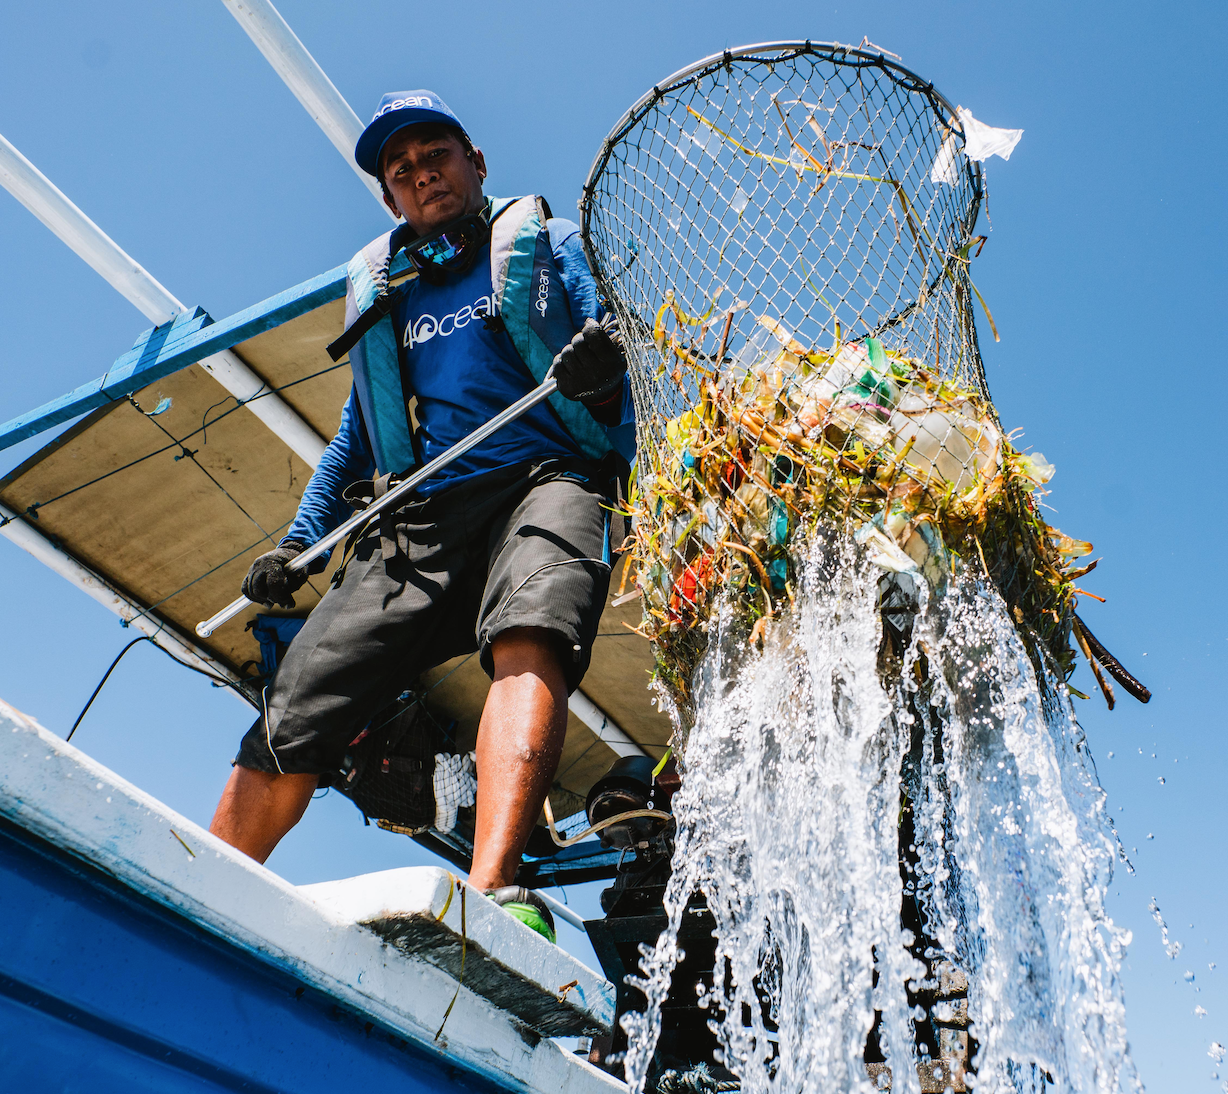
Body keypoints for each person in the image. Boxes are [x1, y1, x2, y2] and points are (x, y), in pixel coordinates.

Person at [208, 90, 634, 942]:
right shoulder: (386, 291)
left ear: (475, 162)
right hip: (423, 515)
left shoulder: (549, 247)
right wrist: (299, 541)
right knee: (297, 700)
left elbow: (618, 349)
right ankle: (201, 890)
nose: (421, 174)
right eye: (400, 171)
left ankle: (491, 899)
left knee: (533, 630)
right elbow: (352, 441)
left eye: (434, 154)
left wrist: (602, 369)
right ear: (390, 199)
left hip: (545, 478)